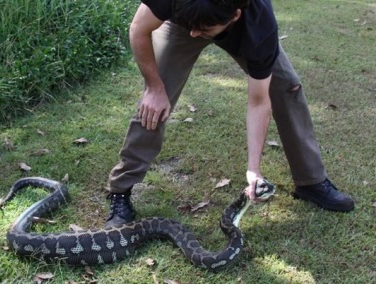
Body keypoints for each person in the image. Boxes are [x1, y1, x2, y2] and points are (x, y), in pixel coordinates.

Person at [104, 0, 355, 228]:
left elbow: (258, 102)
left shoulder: (260, 28)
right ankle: (120, 189)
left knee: (287, 87)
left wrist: (253, 169)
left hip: (235, 25)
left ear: (234, 15)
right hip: (183, 15)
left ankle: (311, 182)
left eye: (202, 29)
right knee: (156, 101)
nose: (195, 34)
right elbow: (139, 28)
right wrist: (154, 87)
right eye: (194, 28)